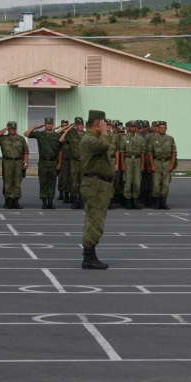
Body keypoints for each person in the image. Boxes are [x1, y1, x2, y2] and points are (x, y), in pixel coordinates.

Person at [78, 110, 113, 270]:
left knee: (95, 220)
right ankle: (89, 257)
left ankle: (90, 254)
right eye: (104, 123)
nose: (106, 126)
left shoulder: (94, 139)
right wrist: (105, 132)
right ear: (99, 123)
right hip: (95, 185)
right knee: (95, 221)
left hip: (100, 185)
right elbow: (105, 144)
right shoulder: (89, 139)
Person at [24, 118, 61, 209]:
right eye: (47, 123)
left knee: (52, 182)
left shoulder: (56, 135)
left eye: (50, 124)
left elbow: (60, 150)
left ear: (52, 125)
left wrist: (59, 163)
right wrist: (36, 127)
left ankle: (51, 201)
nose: (49, 125)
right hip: (43, 161)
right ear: (45, 124)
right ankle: (44, 202)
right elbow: (26, 134)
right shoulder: (40, 134)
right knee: (43, 182)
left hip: (53, 162)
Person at [0, 121, 29, 209]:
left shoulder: (21, 139)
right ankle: (8, 200)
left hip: (18, 161)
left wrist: (25, 162)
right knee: (8, 181)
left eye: (14, 129)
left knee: (17, 181)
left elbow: (25, 152)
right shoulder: (3, 138)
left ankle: (16, 201)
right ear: (8, 129)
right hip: (7, 161)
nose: (13, 130)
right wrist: (2, 131)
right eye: (11, 129)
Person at [148, 121, 176, 210]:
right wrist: (152, 165)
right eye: (160, 128)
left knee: (165, 184)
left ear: (166, 129)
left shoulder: (170, 139)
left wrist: (172, 164)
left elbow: (174, 152)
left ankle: (164, 203)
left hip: (167, 162)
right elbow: (150, 153)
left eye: (164, 128)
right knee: (156, 184)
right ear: (158, 129)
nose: (162, 129)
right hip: (157, 162)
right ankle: (157, 203)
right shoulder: (153, 139)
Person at [60, 117, 86, 209]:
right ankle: (74, 202)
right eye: (78, 124)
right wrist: (67, 129)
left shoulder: (86, 135)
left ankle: (82, 202)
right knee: (74, 182)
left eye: (82, 124)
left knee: (83, 183)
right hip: (74, 162)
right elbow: (61, 139)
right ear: (75, 125)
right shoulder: (71, 134)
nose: (80, 126)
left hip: (84, 162)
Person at [119, 120, 145, 210]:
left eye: (134, 126)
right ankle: (128, 202)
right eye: (131, 126)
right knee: (128, 181)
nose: (133, 128)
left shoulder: (140, 138)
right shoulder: (124, 138)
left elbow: (142, 152)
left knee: (137, 182)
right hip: (128, 159)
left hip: (137, 160)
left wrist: (142, 164)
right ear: (128, 128)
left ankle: (135, 201)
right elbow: (122, 151)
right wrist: (122, 163)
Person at [56, 119, 72, 203]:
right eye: (63, 125)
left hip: (72, 159)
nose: (64, 127)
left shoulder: (71, 134)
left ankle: (71, 196)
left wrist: (69, 128)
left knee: (71, 178)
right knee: (62, 178)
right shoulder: (60, 134)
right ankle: (62, 194)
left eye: (66, 125)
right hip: (63, 159)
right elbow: (55, 132)